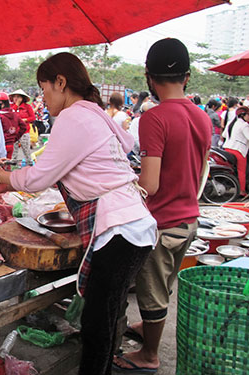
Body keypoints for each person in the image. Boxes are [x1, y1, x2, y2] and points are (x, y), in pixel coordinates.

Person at [0, 52, 156, 375]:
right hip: (136, 226)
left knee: (97, 324)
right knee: (106, 316)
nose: (43, 99)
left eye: (44, 90)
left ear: (61, 83)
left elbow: (40, 176)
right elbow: (68, 166)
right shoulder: (95, 114)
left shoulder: (73, 117)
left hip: (120, 229)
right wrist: (6, 186)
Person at [114, 38, 211, 374]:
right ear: (186, 77)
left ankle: (150, 355)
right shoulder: (202, 117)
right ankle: (149, 329)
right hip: (189, 219)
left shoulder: (154, 118)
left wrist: (125, 180)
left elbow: (150, 184)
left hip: (163, 223)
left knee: (151, 292)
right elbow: (198, 171)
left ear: (149, 78)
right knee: (166, 282)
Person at [222, 106, 249, 196]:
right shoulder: (244, 125)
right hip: (238, 150)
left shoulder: (231, 123)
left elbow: (224, 134)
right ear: (244, 115)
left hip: (227, 147)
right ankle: (242, 190)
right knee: (242, 171)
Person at [0, 92, 27, 158]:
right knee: (7, 164)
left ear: (1, 103)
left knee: (0, 165)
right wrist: (15, 138)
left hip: (1, 145)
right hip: (11, 145)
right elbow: (23, 126)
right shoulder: (14, 114)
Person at [10, 89, 35, 162]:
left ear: (22, 98)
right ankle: (12, 165)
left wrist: (25, 120)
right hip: (14, 132)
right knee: (13, 152)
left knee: (26, 151)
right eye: (14, 96)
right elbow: (10, 114)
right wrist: (16, 105)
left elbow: (32, 118)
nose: (16, 98)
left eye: (18, 97)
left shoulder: (27, 107)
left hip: (24, 132)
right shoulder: (11, 106)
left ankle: (29, 164)